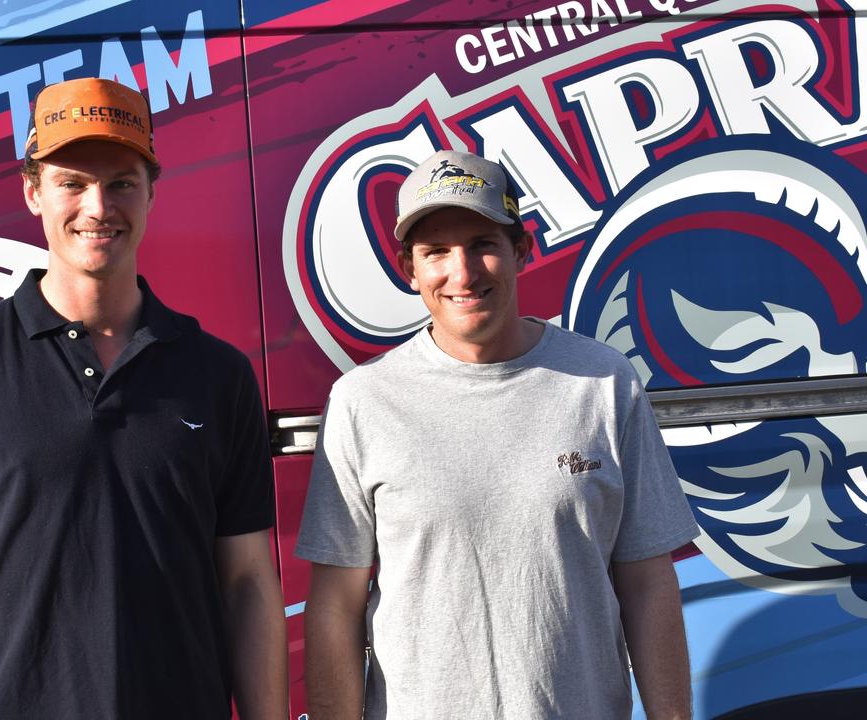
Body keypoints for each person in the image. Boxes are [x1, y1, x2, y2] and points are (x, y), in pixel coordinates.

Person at [0, 77, 286, 719]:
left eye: (121, 181)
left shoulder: (217, 375)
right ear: (33, 191)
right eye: (72, 182)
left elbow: (249, 583)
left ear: (152, 190)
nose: (98, 206)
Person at [296, 150, 700, 719]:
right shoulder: (365, 401)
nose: (462, 273)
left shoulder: (605, 382)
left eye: (483, 244)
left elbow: (648, 582)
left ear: (521, 250)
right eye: (436, 251)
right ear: (409, 269)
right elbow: (335, 604)